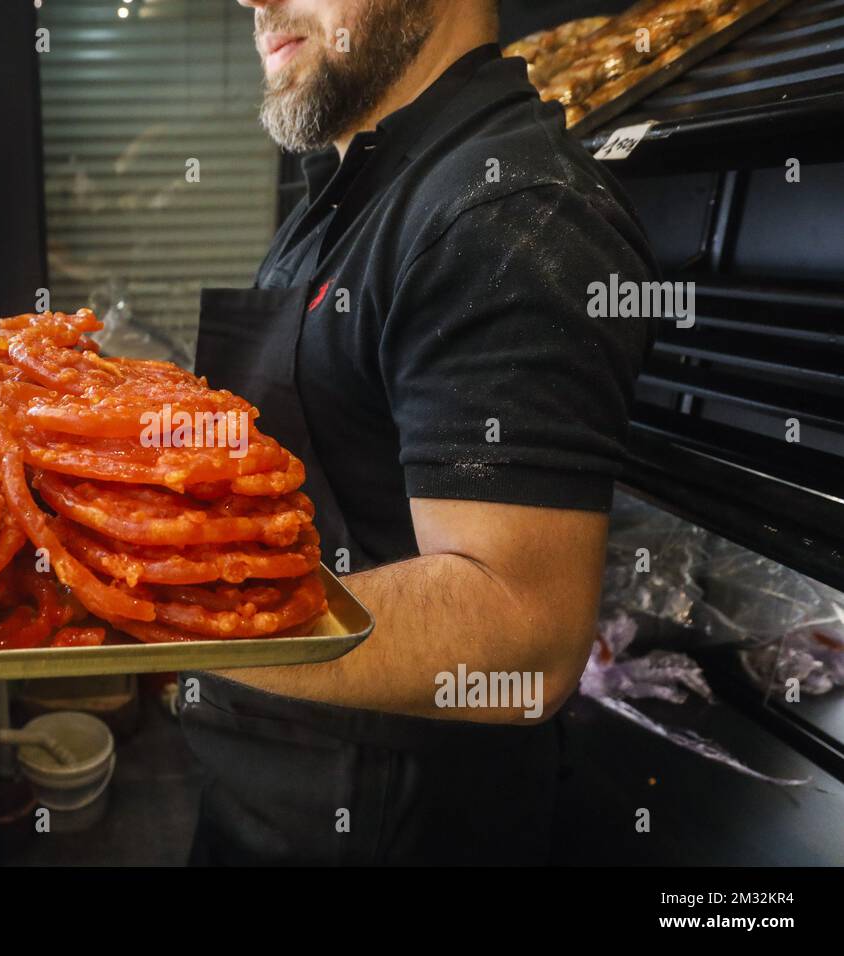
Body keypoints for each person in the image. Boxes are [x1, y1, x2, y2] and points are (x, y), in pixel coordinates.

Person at [180, 0, 658, 864]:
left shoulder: (510, 212)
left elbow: (524, 629)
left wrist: (135, 601)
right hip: (267, 787)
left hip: (387, 824)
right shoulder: (354, 184)